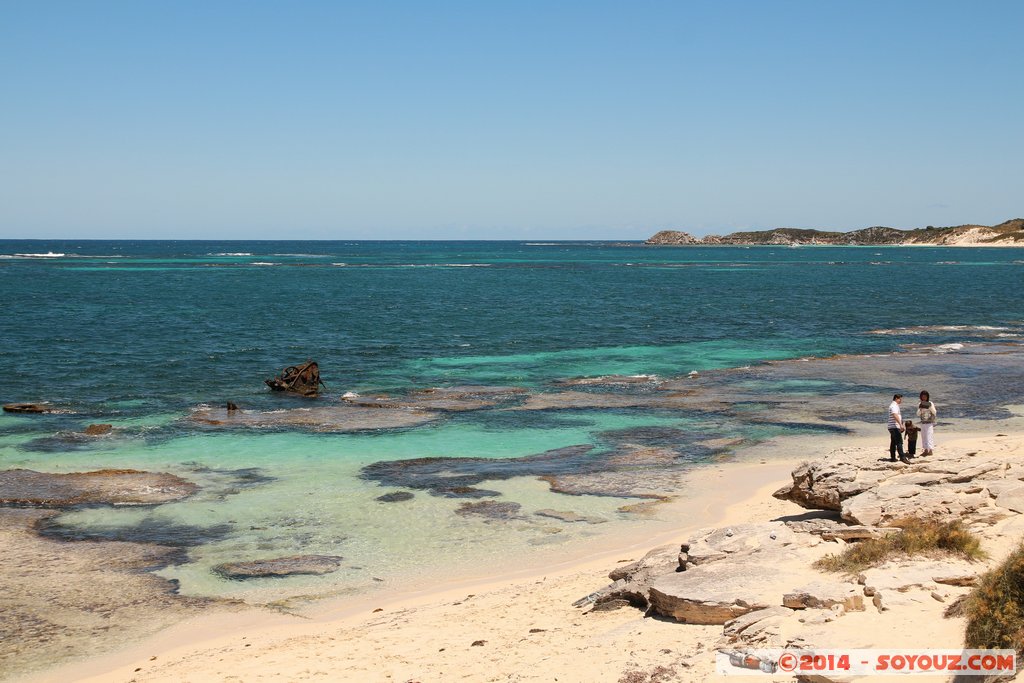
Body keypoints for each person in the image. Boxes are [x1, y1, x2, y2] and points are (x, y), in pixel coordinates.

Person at [887, 394, 906, 462]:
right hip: (894, 426)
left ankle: (893, 457)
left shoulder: (893, 405)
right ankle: (902, 457)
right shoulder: (894, 406)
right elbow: (895, 415)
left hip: (892, 426)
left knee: (893, 442)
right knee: (899, 442)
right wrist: (900, 424)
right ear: (896, 399)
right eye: (900, 399)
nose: (901, 400)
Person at [917, 390, 937, 456]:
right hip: (923, 422)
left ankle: (930, 450)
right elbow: (918, 414)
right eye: (922, 397)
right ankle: (925, 450)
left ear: (927, 397)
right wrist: (920, 408)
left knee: (929, 435)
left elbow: (934, 412)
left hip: (929, 422)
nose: (924, 398)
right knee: (924, 436)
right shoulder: (920, 403)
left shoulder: (930, 403)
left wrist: (929, 406)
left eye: (925, 396)